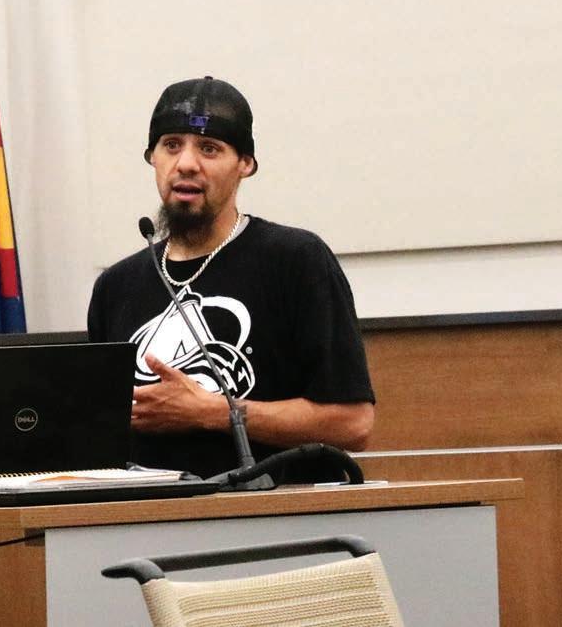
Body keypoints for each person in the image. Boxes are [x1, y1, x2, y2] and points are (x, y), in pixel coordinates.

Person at [87, 76, 375, 481]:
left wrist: (211, 412)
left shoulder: (295, 260)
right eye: (172, 145)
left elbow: (353, 423)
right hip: (150, 513)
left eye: (209, 148)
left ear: (245, 165)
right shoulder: (116, 287)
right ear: (152, 157)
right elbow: (100, 432)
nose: (186, 163)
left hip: (278, 511)